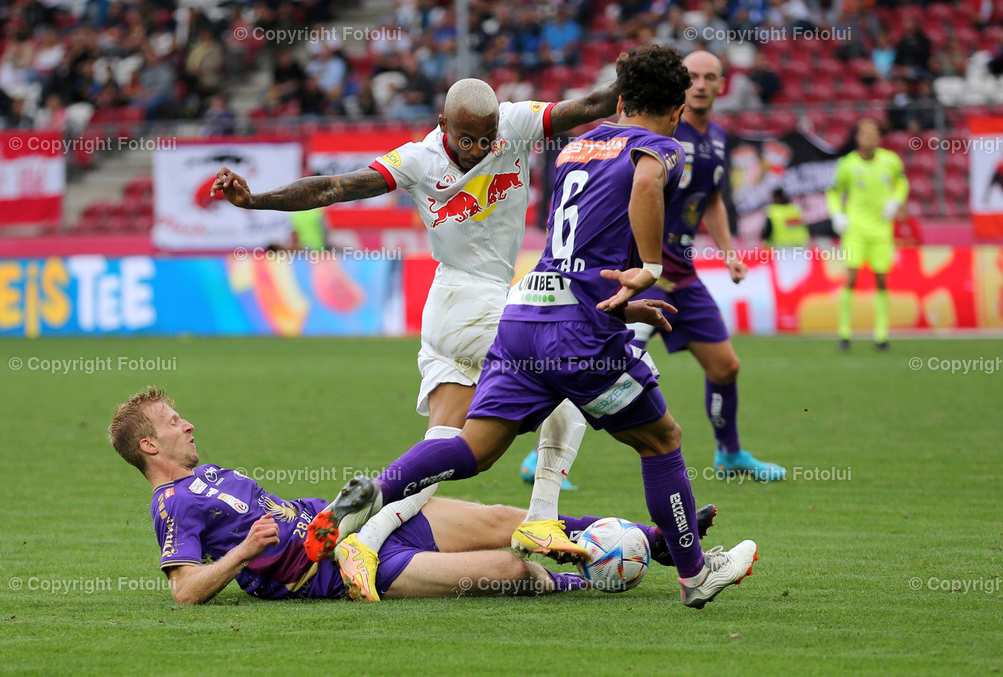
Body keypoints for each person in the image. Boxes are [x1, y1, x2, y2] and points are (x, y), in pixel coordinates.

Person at [318, 45, 758, 610]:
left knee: (474, 448)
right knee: (662, 440)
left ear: (620, 100)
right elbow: (647, 187)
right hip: (572, 331)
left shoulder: (577, 148)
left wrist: (618, 306)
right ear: (674, 110)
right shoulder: (660, 145)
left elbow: (571, 252)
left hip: (526, 312)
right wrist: (649, 270)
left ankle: (378, 490)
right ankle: (695, 572)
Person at [213, 69, 629, 598]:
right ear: (442, 125)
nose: (479, 149)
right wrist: (255, 202)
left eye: (486, 137)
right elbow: (335, 186)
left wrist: (635, 80)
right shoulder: (417, 159)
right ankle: (541, 516)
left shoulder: (518, 126)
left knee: (442, 446)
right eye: (466, 138)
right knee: (570, 376)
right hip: (463, 300)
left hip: (467, 308)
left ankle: (363, 539)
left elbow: (590, 104)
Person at [109, 387, 717, 603]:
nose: (186, 425)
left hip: (351, 522)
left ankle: (660, 542)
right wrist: (242, 555)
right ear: (149, 449)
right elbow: (185, 591)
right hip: (337, 571)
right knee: (510, 568)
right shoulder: (173, 505)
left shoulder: (206, 473)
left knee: (507, 516)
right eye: (172, 422)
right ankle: (592, 574)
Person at [626, 50, 786, 483]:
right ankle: (544, 462)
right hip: (643, 275)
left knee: (725, 366)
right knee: (604, 370)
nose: (699, 84)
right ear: (681, 85)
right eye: (692, 77)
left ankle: (730, 454)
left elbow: (712, 197)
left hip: (683, 274)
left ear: (721, 85)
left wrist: (729, 250)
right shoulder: (659, 135)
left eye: (709, 77)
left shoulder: (717, 137)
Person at [827, 118, 909, 351]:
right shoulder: (847, 164)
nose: (870, 137)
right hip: (855, 230)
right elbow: (834, 192)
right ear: (858, 138)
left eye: (874, 133)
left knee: (882, 280)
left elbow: (902, 184)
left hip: (882, 230)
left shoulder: (890, 161)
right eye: (865, 134)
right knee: (851, 278)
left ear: (879, 137)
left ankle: (881, 335)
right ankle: (844, 334)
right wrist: (837, 215)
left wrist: (895, 201)